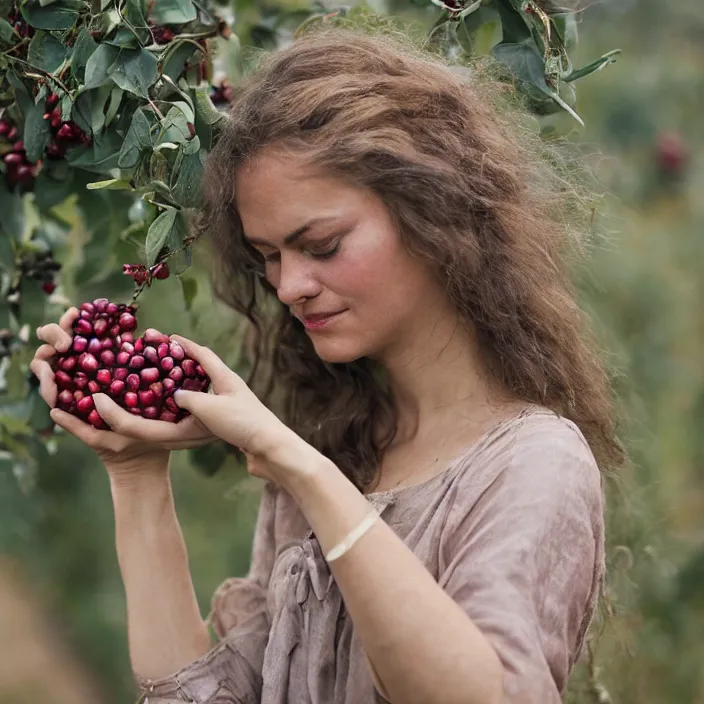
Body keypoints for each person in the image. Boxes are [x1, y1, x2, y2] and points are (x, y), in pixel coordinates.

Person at [30, 24, 625, 704]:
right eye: (270, 257)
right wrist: (135, 475)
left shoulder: (533, 463)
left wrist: (298, 466)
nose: (288, 288)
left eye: (321, 244)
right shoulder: (340, 449)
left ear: (433, 214)